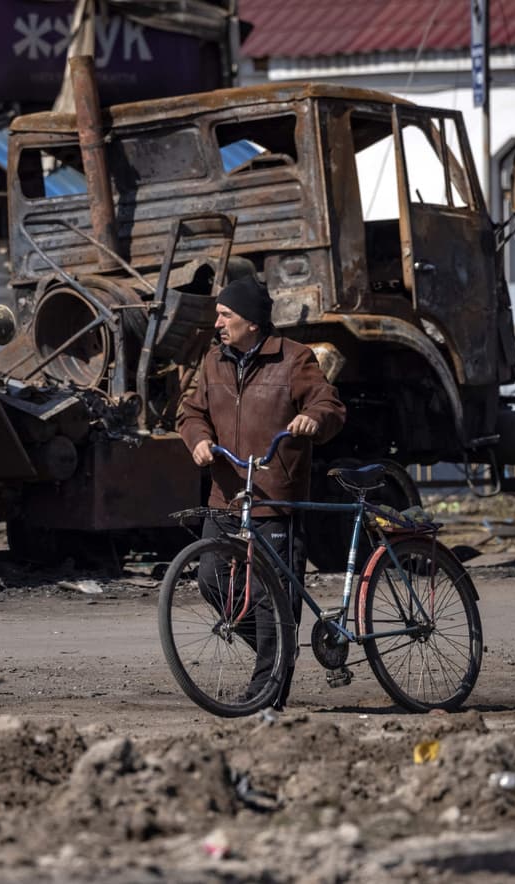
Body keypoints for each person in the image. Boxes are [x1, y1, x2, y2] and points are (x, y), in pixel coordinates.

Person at [177, 273, 345, 708]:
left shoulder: (293, 359)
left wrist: (314, 419)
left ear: (251, 321)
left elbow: (328, 404)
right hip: (227, 493)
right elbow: (190, 411)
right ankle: (278, 655)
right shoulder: (214, 363)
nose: (218, 323)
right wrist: (196, 439)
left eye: (225, 314)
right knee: (212, 577)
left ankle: (268, 690)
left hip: (275, 494)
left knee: (274, 598)